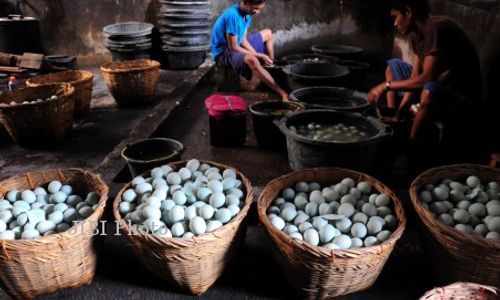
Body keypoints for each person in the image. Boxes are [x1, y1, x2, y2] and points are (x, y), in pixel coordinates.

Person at [367, 0, 486, 164]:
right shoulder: (416, 35)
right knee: (393, 66)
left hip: (462, 98)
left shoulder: (436, 28)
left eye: (395, 17)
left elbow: (426, 79)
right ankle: (395, 127)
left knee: (429, 91)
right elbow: (415, 76)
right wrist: (398, 115)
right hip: (439, 87)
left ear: (408, 12)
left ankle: (411, 148)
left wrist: (385, 86)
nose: (394, 24)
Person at [211, 0, 289, 101]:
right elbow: (233, 47)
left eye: (259, 9)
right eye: (255, 8)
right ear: (245, 2)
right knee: (252, 60)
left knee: (268, 33)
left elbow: (243, 40)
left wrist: (258, 54)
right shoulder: (232, 16)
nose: (257, 12)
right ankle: (281, 92)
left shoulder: (247, 15)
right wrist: (258, 56)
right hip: (224, 52)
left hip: (236, 45)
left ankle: (271, 66)